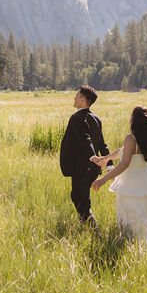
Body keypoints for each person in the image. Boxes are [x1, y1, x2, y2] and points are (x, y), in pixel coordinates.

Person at [91, 106, 147, 242]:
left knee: (131, 216)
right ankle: (141, 244)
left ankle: (133, 245)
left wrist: (103, 179)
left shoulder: (131, 138)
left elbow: (125, 163)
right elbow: (124, 150)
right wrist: (105, 158)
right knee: (143, 215)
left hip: (132, 183)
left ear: (134, 120)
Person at [59, 85, 109, 225]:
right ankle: (87, 224)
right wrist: (109, 165)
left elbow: (85, 138)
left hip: (81, 167)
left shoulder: (76, 118)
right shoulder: (96, 118)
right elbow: (102, 143)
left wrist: (93, 156)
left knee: (80, 198)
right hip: (91, 168)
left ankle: (92, 229)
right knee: (79, 197)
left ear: (82, 99)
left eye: (76, 95)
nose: (74, 98)